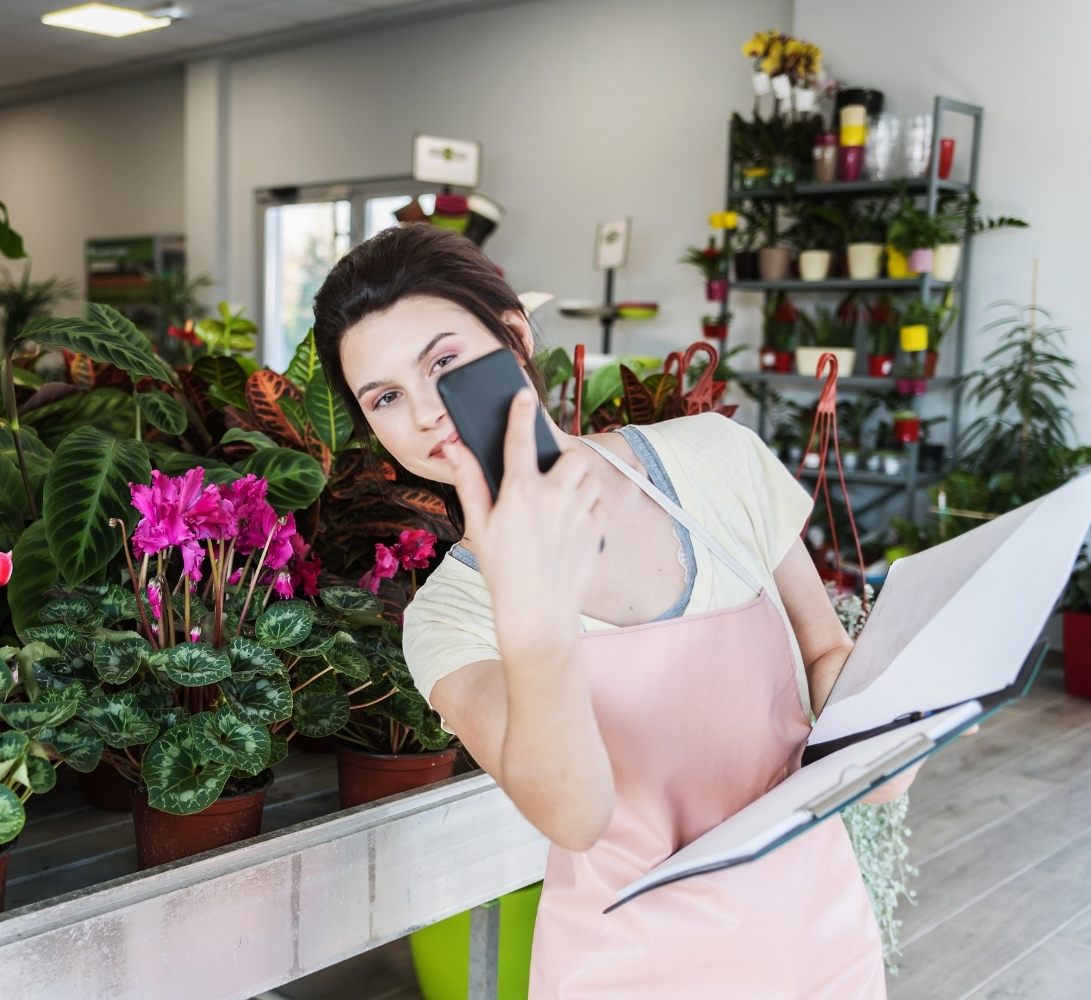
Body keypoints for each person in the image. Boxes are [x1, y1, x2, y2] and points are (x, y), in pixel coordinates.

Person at [311, 224, 896, 999]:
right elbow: (574, 817)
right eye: (385, 397)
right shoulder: (449, 619)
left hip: (817, 940)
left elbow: (823, 652)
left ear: (515, 336)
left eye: (444, 364)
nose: (426, 414)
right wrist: (531, 599)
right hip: (628, 968)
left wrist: (893, 726)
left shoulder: (716, 458)